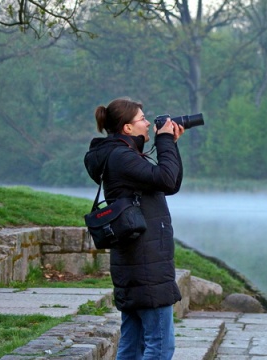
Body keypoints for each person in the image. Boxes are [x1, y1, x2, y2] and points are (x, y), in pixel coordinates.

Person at [84, 97, 185, 360]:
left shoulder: (121, 156)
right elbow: (165, 178)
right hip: (146, 263)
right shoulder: (121, 157)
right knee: (160, 346)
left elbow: (169, 183)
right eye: (142, 118)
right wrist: (164, 141)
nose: (148, 123)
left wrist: (169, 143)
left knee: (133, 343)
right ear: (127, 128)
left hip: (137, 260)